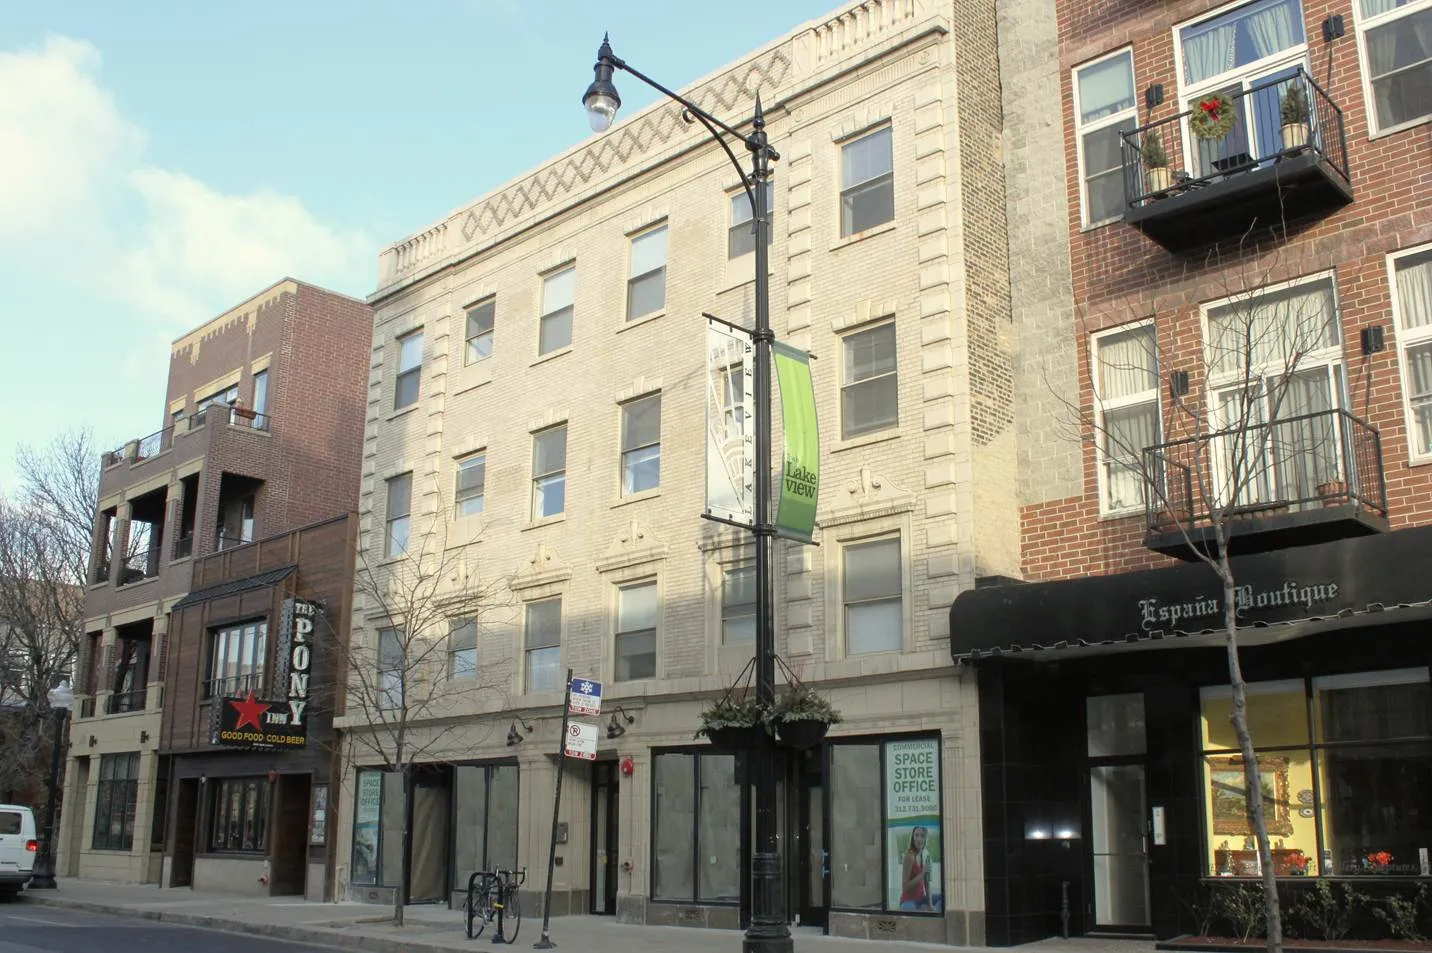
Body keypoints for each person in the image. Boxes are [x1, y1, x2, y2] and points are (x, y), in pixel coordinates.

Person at [899, 825, 932, 911]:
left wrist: (930, 905)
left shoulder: (923, 856)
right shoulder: (909, 857)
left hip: (920, 899)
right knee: (912, 908)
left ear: (925, 839)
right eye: (916, 835)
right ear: (912, 838)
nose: (919, 839)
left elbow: (926, 884)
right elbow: (905, 886)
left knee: (943, 898)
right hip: (908, 901)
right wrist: (922, 874)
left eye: (922, 836)